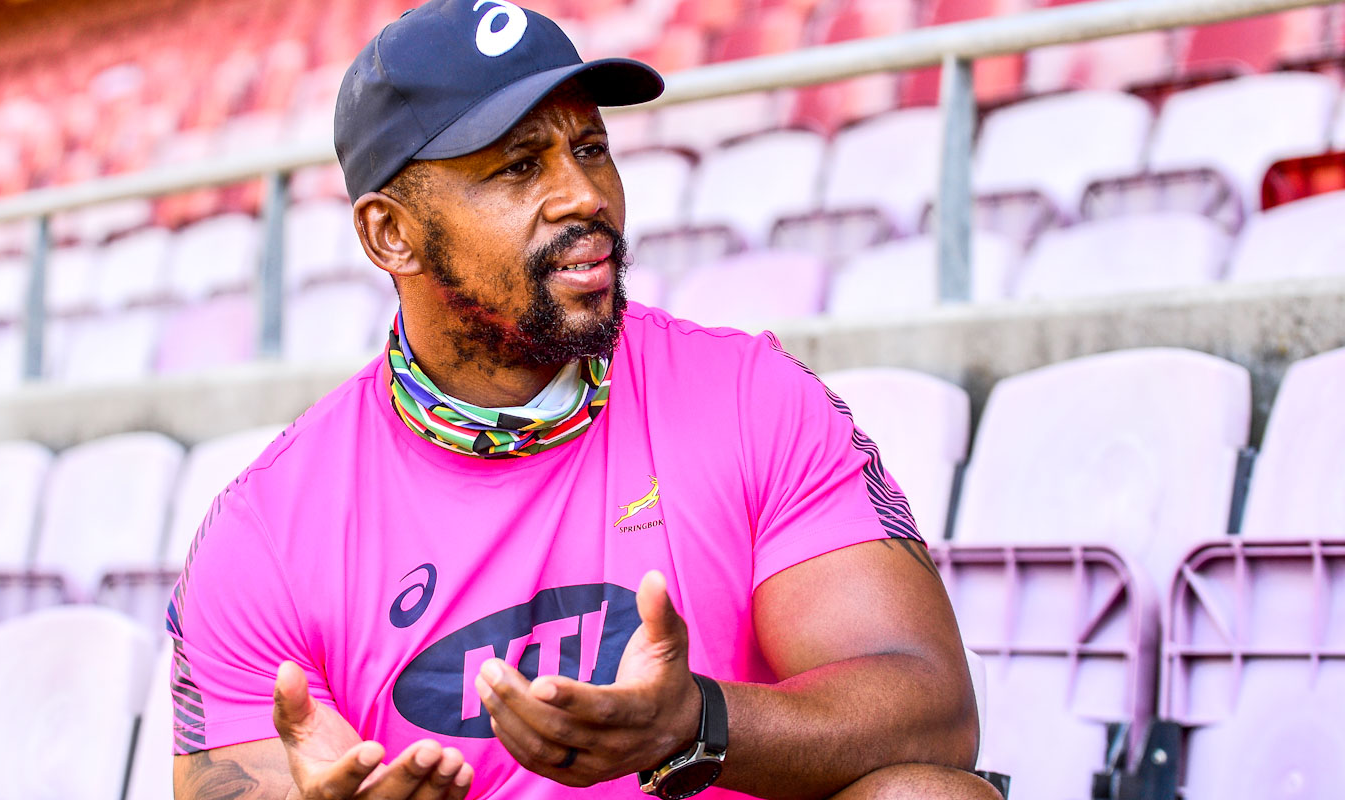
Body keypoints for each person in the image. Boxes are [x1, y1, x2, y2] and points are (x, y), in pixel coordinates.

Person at [171, 1, 999, 798]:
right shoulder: (266, 529)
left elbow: (934, 712)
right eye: (519, 166)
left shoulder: (754, 395)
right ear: (392, 233)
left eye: (591, 147)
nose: (585, 195)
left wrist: (695, 723)